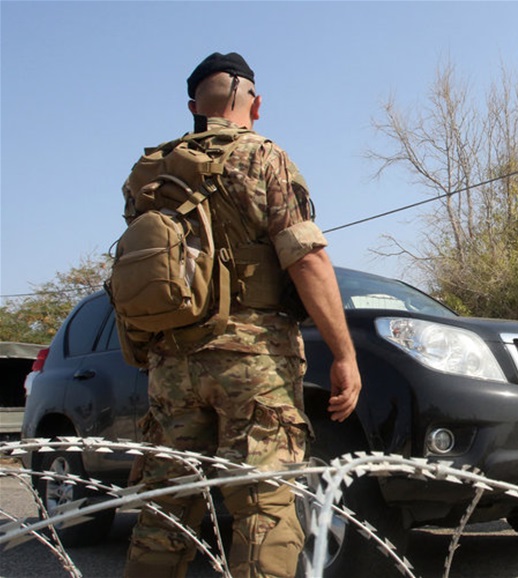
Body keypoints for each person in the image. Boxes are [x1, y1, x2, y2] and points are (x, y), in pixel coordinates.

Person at [123, 52, 363, 578]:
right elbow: (307, 258)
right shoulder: (263, 157)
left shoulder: (148, 173)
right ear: (255, 105)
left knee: (166, 507)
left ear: (193, 107)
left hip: (170, 364)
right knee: (264, 509)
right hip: (254, 361)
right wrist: (344, 354)